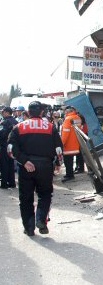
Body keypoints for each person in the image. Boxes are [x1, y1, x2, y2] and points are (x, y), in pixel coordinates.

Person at [7, 101, 63, 236]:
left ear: (28, 112)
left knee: (25, 198)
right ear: (42, 112)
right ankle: (41, 219)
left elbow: (10, 149)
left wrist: (24, 161)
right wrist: (57, 164)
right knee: (45, 195)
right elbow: (59, 149)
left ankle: (29, 228)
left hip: (26, 168)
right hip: (45, 167)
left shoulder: (19, 127)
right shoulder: (51, 127)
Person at [61, 106, 82, 182]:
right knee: (71, 159)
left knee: (68, 161)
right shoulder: (77, 118)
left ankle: (69, 175)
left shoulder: (68, 119)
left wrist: (61, 143)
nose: (64, 113)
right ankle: (70, 174)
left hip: (68, 144)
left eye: (65, 111)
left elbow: (65, 133)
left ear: (67, 112)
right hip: (75, 143)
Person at [0, 107, 18, 188]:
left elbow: (2, 135)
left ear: (7, 112)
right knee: (11, 165)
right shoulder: (16, 121)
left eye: (3, 112)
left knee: (4, 165)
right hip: (14, 147)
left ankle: (4, 184)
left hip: (5, 146)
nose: (2, 114)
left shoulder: (5, 122)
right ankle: (12, 183)